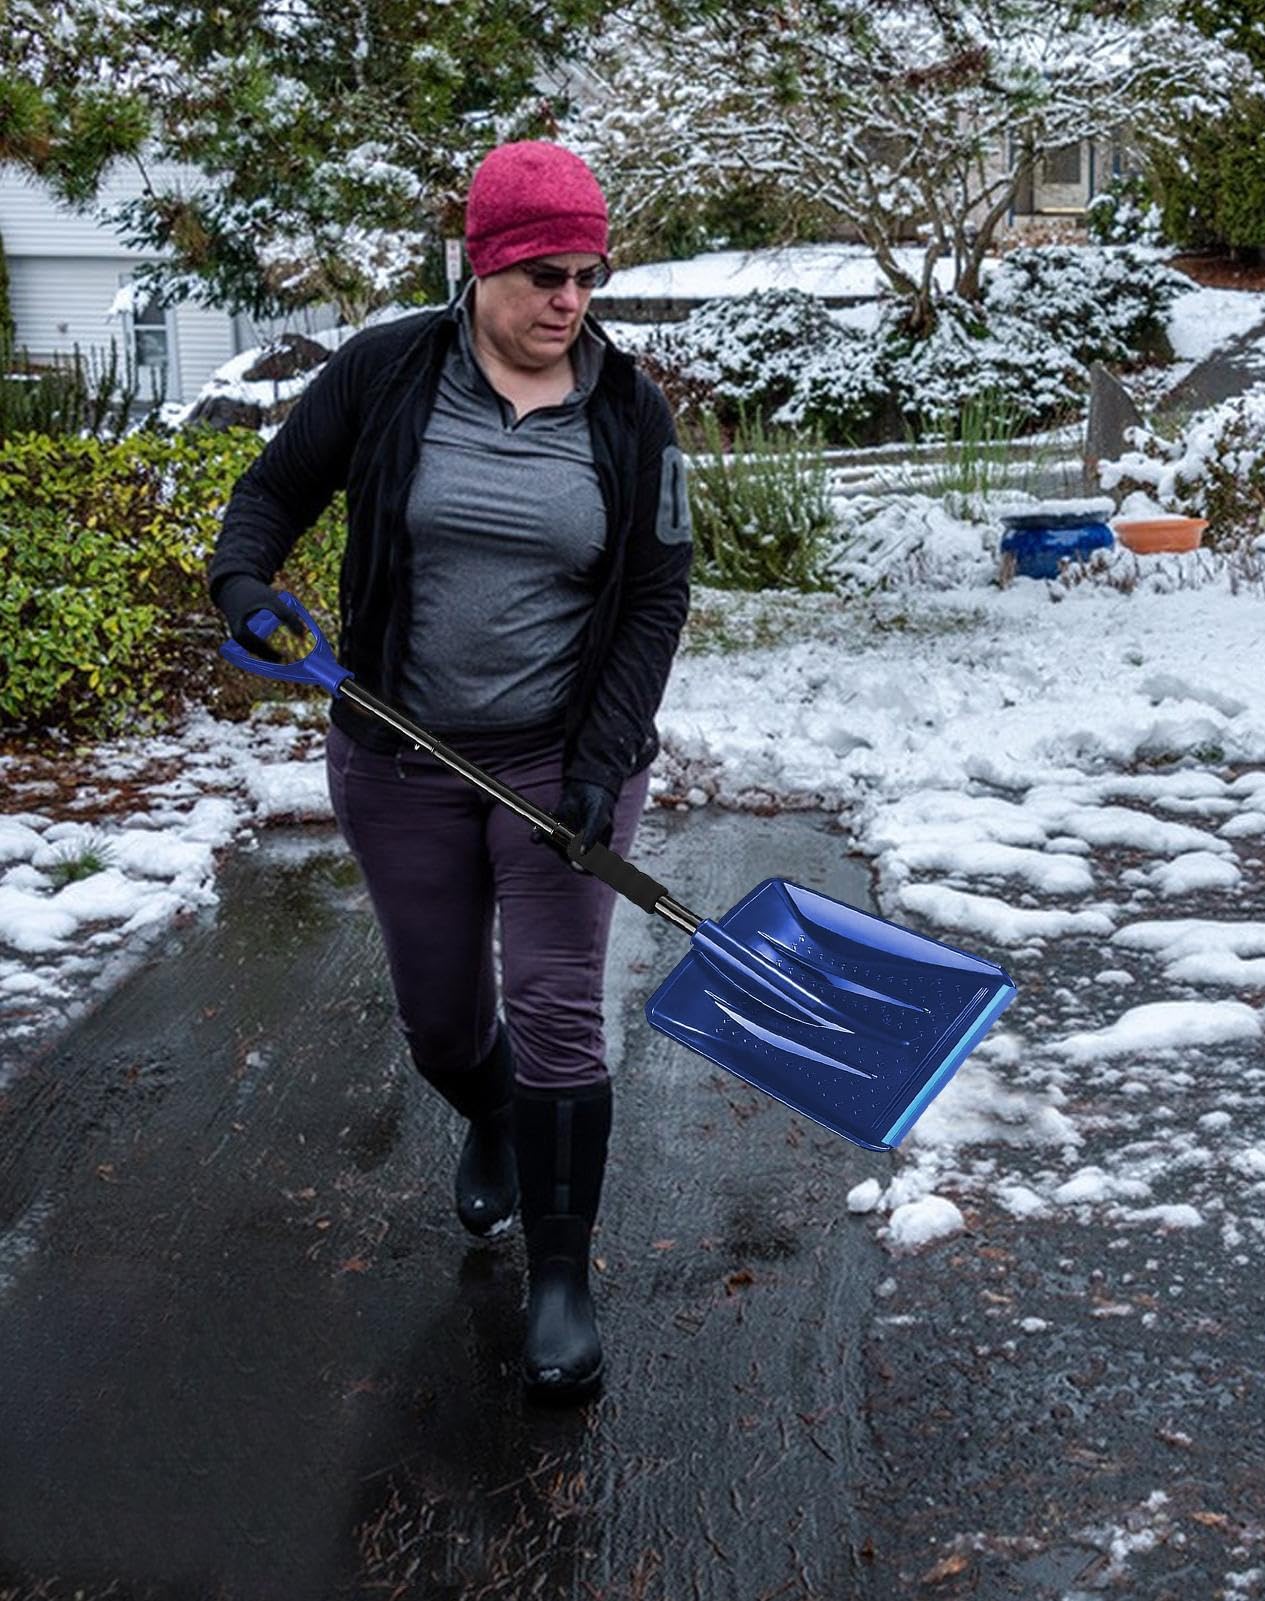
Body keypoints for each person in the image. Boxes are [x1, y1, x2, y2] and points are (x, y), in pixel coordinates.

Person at [207, 141, 694, 1402]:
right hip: (400, 753)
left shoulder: (628, 412)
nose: (568, 299)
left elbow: (653, 599)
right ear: (481, 267)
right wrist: (245, 581)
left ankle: (559, 1278)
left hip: (558, 763)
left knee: (553, 1008)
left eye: (587, 273)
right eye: (542, 273)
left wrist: (599, 764)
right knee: (438, 1024)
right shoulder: (384, 371)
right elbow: (271, 490)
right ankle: (486, 1111)